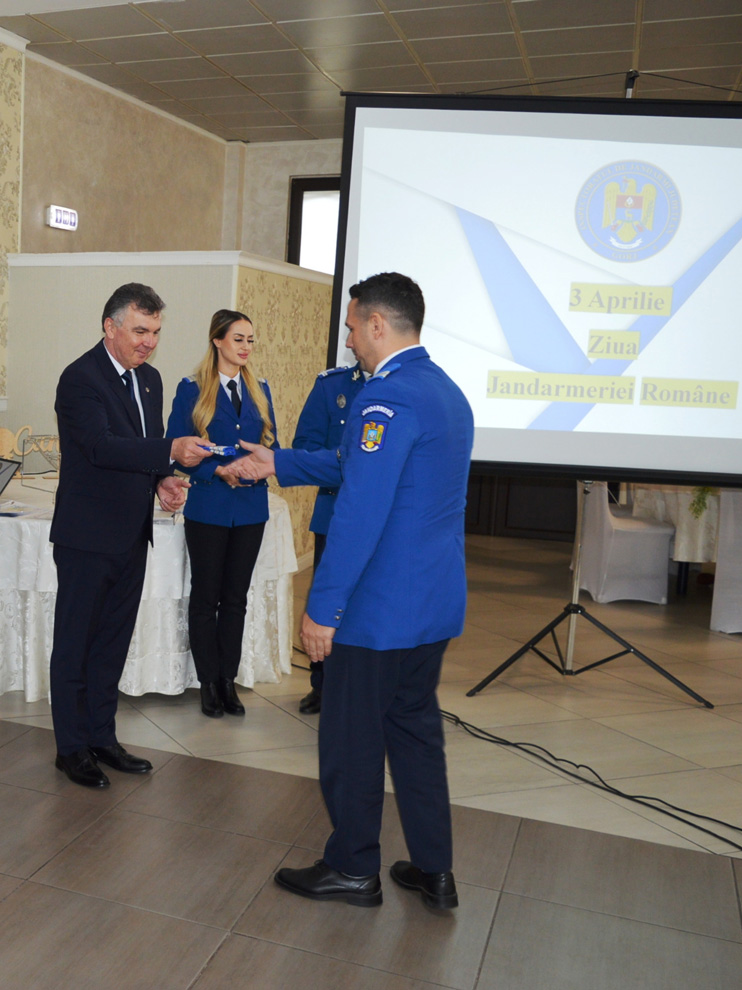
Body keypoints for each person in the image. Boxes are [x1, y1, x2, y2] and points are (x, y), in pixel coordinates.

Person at [233, 272, 474, 910]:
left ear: (376, 324)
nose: (348, 339)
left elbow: (362, 510)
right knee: (416, 735)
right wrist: (278, 461)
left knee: (350, 739)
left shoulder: (384, 399)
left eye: (351, 326)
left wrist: (322, 608)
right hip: (431, 604)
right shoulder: (444, 391)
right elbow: (361, 464)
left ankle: (352, 868)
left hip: (378, 610)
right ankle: (435, 869)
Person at [50, 283, 209, 789]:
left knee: (111, 644)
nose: (149, 342)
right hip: (85, 538)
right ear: (110, 326)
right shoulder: (80, 378)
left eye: (155, 332)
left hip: (131, 535)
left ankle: (102, 737)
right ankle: (70, 748)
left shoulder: (150, 380)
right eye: (140, 331)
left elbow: (143, 447)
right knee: (76, 646)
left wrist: (162, 480)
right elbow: (101, 447)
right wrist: (171, 451)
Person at [166, 309, 279, 719]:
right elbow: (175, 445)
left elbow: (271, 444)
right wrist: (216, 470)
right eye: (238, 339)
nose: (246, 347)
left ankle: (228, 680)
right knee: (205, 597)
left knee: (235, 598)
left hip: (250, 508)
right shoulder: (192, 388)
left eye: (251, 340)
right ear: (217, 340)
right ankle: (208, 683)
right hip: (209, 506)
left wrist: (252, 469)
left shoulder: (260, 390)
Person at [291, 361, 365, 714]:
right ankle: (322, 686)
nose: (350, 341)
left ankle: (362, 687)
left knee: (368, 605)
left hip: (385, 520)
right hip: (334, 514)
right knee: (327, 602)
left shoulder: (399, 385)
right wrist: (345, 465)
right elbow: (304, 446)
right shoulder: (331, 385)